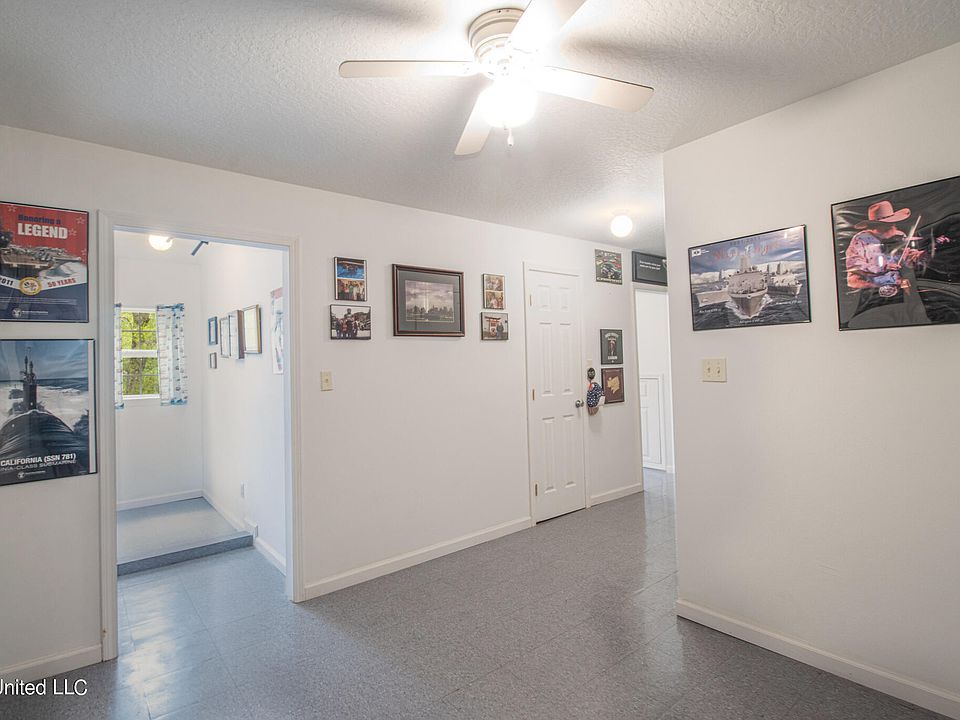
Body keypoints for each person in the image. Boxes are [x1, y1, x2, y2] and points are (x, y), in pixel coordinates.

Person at [845, 200, 925, 296]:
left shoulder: (897, 236)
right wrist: (883, 267)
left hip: (894, 285)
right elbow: (854, 266)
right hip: (868, 288)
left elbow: (903, 257)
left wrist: (915, 256)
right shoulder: (861, 239)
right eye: (888, 224)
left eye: (893, 223)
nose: (893, 226)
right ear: (875, 225)